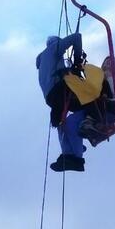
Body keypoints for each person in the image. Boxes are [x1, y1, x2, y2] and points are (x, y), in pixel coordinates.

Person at [36, 33, 89, 172]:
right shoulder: (55, 48)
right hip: (59, 90)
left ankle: (68, 154)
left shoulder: (42, 59)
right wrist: (77, 62)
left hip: (51, 97)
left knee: (61, 123)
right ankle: (77, 156)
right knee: (89, 106)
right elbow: (77, 37)